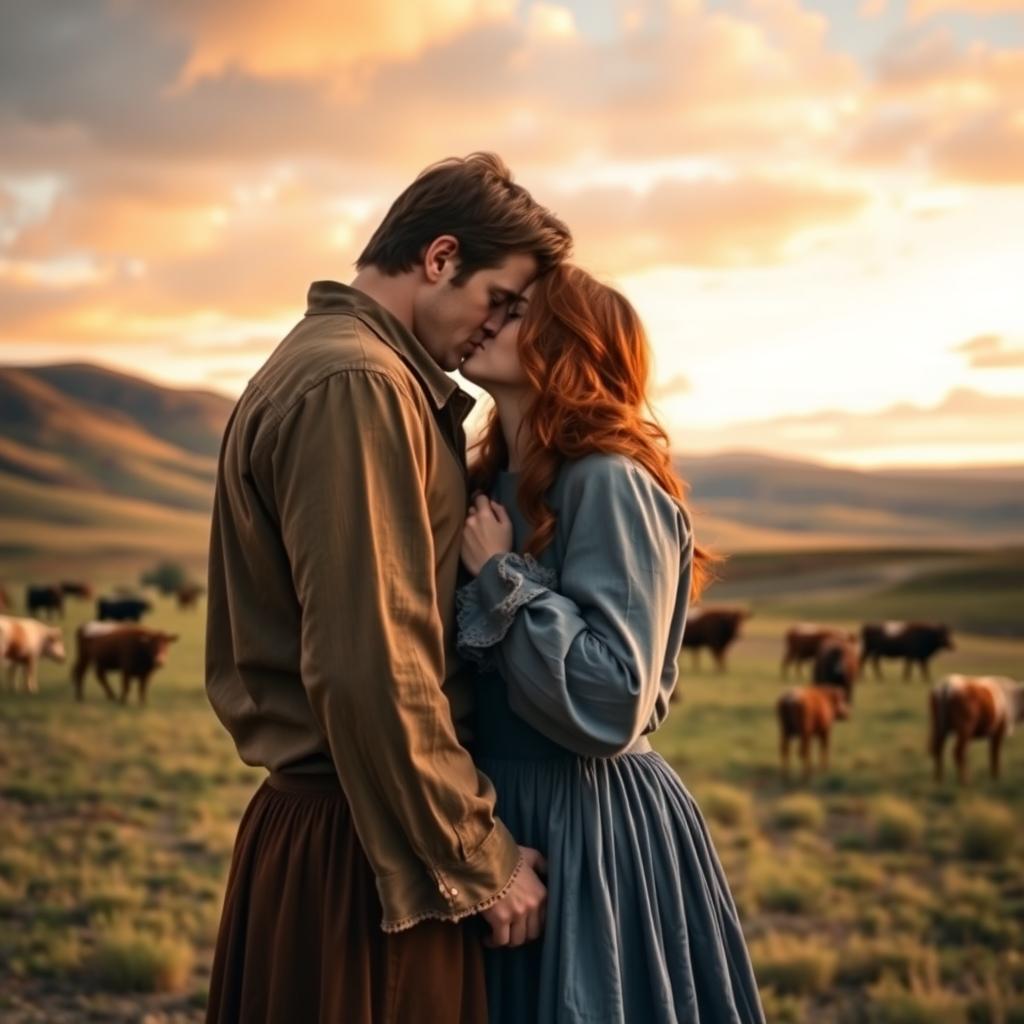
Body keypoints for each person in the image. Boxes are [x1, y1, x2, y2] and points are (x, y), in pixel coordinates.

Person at [204, 153, 572, 1023]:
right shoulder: (358, 385)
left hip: (360, 825)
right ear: (440, 259)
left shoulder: (352, 371)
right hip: (367, 848)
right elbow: (373, 662)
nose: (494, 332)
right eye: (500, 301)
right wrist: (479, 857)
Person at [456, 264, 767, 1023]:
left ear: (568, 348)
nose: (486, 316)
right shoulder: (486, 484)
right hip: (492, 816)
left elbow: (613, 698)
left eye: (515, 310)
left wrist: (501, 577)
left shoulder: (607, 481)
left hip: (586, 825)